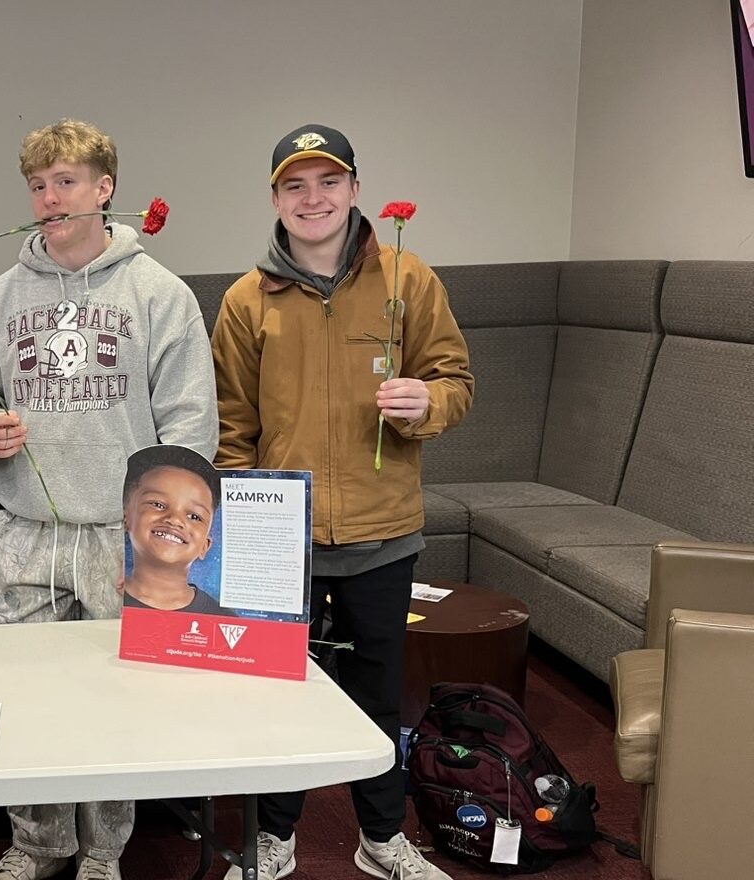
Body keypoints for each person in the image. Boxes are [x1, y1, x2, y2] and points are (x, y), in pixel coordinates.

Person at [0, 118, 217, 880]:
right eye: (38, 185)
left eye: (66, 181)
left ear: (104, 189)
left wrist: (167, 532)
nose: (50, 197)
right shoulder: (1, 296)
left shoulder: (157, 292)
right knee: (26, 702)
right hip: (26, 532)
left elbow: (192, 420)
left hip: (118, 540)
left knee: (117, 702)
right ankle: (39, 843)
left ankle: (104, 850)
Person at [211, 124, 473, 880]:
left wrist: (428, 401)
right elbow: (234, 425)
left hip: (383, 535)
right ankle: (274, 837)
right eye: (296, 184)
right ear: (276, 199)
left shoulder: (407, 280)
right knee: (278, 695)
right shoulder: (245, 299)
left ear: (355, 190)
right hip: (280, 541)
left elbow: (457, 380)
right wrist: (238, 532)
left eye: (329, 181)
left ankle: (382, 838)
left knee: (376, 697)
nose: (313, 197)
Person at [120, 445, 226, 615]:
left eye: (194, 516)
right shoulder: (103, 601)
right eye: (158, 505)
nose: (175, 520)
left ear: (204, 546)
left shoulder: (222, 618)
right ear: (126, 517)